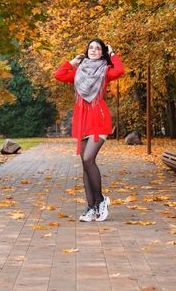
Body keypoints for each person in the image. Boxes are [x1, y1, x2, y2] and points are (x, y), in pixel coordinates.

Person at [54, 38, 124, 222]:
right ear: (87, 51)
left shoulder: (105, 71)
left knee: (88, 158)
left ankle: (101, 201)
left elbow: (120, 70)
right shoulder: (78, 72)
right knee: (85, 165)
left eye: (98, 48)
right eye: (91, 47)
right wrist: (72, 62)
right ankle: (91, 207)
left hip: (99, 120)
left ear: (102, 53)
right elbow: (59, 75)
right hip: (82, 121)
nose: (94, 50)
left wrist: (113, 53)